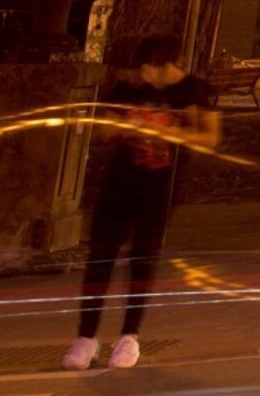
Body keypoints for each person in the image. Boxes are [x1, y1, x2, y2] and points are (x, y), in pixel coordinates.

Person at [68, 35, 215, 371]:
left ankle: (129, 335)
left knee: (142, 259)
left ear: (171, 64)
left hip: (160, 186)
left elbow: (210, 136)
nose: (149, 74)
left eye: (156, 68)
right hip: (118, 182)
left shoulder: (192, 91)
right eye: (146, 67)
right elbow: (101, 130)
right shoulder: (129, 89)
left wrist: (173, 134)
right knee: (100, 256)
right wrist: (127, 125)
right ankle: (86, 336)